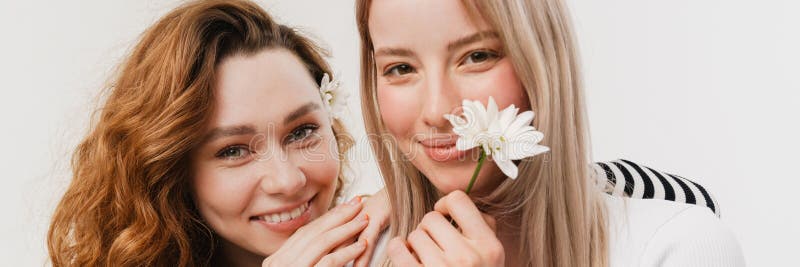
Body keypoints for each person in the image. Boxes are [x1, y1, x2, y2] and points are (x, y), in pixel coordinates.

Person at [355, 0, 745, 266]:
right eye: (400, 68)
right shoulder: (356, 251)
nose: (437, 111)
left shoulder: (675, 246)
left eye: (477, 57)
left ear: (542, 60)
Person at [47, 1, 386, 266]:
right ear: (172, 172)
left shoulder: (401, 246)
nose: (287, 180)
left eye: (302, 132)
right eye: (234, 151)